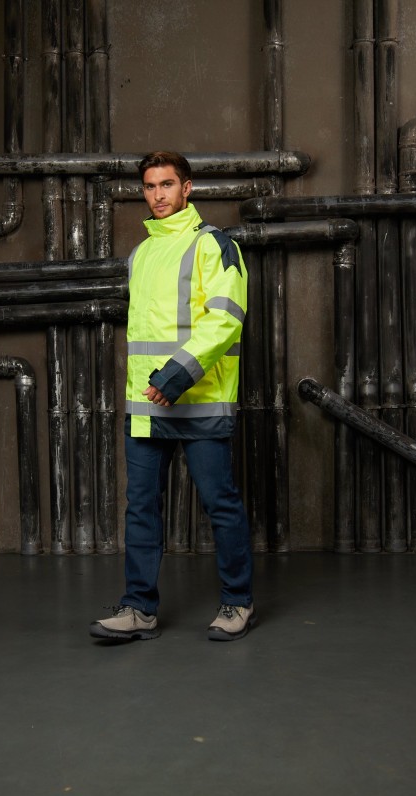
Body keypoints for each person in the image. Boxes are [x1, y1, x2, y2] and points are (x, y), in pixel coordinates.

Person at [89, 151, 256, 643]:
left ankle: (238, 601)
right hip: (146, 405)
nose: (157, 195)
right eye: (149, 186)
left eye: (166, 184)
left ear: (187, 188)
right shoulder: (141, 254)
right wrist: (153, 387)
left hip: (197, 398)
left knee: (220, 504)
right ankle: (139, 608)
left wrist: (175, 377)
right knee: (141, 507)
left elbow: (225, 319)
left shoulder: (214, 245)